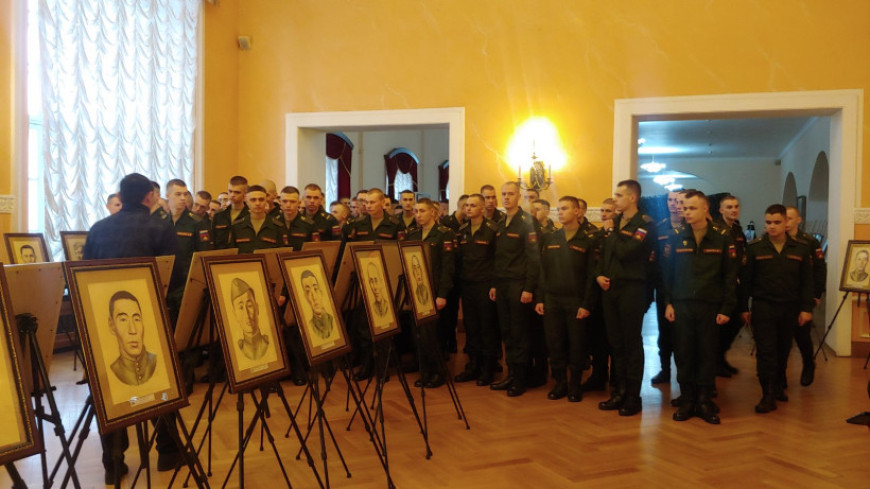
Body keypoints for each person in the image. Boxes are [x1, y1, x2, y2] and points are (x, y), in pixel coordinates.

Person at [82, 172, 180, 482]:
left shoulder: (98, 229)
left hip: (105, 321)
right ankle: (168, 451)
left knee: (109, 387)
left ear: (121, 198)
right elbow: (174, 275)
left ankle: (113, 462)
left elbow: (83, 272)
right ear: (150, 197)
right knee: (158, 379)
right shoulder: (160, 227)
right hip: (148, 318)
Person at [661, 190, 738, 424]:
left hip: (710, 305)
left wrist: (726, 308)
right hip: (682, 303)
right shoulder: (676, 236)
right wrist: (668, 303)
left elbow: (730, 276)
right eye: (685, 208)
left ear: (705, 209)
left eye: (692, 208)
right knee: (684, 352)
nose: (686, 212)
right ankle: (687, 399)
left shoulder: (722, 236)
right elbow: (667, 274)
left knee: (707, 352)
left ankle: (704, 400)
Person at [739, 204, 814, 414]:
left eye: (777, 222)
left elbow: (807, 282)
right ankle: (767, 394)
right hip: (764, 307)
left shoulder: (800, 248)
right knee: (766, 352)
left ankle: (778, 385)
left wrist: (806, 308)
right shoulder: (755, 248)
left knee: (783, 350)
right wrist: (744, 307)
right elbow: (745, 281)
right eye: (768, 222)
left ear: (786, 222)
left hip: (790, 308)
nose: (772, 226)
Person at [594, 179, 656, 416]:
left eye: (619, 195)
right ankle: (618, 392)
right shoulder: (616, 221)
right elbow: (604, 256)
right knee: (616, 343)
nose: (615, 199)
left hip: (632, 289)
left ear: (632, 197)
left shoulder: (644, 224)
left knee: (631, 343)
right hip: (611, 289)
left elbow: (625, 252)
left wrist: (611, 231)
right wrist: (599, 275)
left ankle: (632, 396)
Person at [535, 196, 598, 402]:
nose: (560, 212)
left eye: (565, 209)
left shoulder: (587, 239)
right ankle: (560, 383)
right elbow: (543, 271)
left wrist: (586, 304)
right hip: (553, 299)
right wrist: (540, 298)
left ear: (577, 211)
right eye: (559, 209)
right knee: (555, 344)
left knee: (577, 345)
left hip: (576, 301)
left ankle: (575, 384)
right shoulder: (551, 237)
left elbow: (591, 275)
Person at [489, 181, 540, 397]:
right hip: (502, 284)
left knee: (520, 333)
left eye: (510, 194)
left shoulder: (527, 222)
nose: (506, 197)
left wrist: (529, 288)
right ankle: (511, 374)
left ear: (519, 196)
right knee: (507, 331)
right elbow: (498, 257)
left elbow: (534, 258)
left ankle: (521, 378)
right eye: (503, 194)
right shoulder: (501, 222)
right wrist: (494, 283)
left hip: (519, 284)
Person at [406, 198, 456, 388]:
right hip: (417, 291)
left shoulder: (444, 234)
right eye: (416, 211)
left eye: (422, 211)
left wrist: (442, 294)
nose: (418, 215)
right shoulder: (412, 235)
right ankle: (425, 371)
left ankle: (438, 372)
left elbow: (448, 267)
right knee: (418, 334)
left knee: (434, 335)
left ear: (433, 213)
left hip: (434, 291)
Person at [454, 194, 500, 385]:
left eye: (473, 205)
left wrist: (495, 284)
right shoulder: (462, 231)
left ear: (482, 208)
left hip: (485, 285)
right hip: (467, 285)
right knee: (471, 327)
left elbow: (497, 260)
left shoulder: (492, 229)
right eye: (467, 205)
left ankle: (488, 369)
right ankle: (473, 366)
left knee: (487, 328)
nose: (468, 208)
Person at [785, 205, 826, 387]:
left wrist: (816, 294)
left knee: (802, 336)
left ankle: (808, 364)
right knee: (782, 339)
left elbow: (819, 269)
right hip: (784, 295)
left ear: (798, 220)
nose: (786, 222)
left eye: (790, 218)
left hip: (803, 296)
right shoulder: (778, 240)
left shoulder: (810, 242)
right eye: (784, 218)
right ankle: (779, 376)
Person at [165, 179, 213, 326]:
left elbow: (204, 256)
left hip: (186, 284)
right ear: (167, 195)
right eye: (178, 194)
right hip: (166, 283)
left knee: (184, 326)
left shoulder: (197, 223)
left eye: (185, 194)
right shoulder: (161, 222)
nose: (183, 198)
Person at [651, 191, 684, 385]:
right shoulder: (660, 228)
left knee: (684, 335)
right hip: (664, 289)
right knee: (664, 333)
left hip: (685, 289)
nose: (674, 204)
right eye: (670, 200)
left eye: (678, 201)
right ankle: (665, 370)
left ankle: (684, 375)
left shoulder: (690, 227)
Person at [713, 194, 747, 378]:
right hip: (721, 286)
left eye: (736, 206)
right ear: (721, 210)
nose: (733, 210)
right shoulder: (716, 230)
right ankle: (717, 361)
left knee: (736, 322)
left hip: (737, 284)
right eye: (729, 207)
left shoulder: (738, 230)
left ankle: (721, 356)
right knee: (721, 326)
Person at [582, 198, 613, 393]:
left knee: (615, 339)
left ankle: (617, 377)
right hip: (597, 295)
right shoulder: (594, 236)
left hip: (616, 293)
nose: (604, 214)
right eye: (602, 210)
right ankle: (599, 375)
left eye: (609, 211)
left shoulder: (622, 236)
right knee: (597, 338)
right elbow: (589, 266)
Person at [107, 291, 157, 385]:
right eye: (123, 320)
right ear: (112, 325)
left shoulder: (156, 362)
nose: (133, 330)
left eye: (136, 319)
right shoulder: (112, 371)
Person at [228, 185, 289, 253]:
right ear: (246, 201)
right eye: (253, 200)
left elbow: (282, 253)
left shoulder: (277, 227)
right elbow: (232, 254)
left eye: (261, 199)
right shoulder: (237, 226)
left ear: (266, 201)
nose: (257, 203)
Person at [230, 278, 270, 360]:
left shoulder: (269, 342)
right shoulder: (238, 350)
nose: (246, 314)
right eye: (241, 307)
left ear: (257, 308)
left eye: (249, 306)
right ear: (235, 315)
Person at [212, 176, 249, 249]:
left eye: (237, 192)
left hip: (243, 254)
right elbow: (214, 241)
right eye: (230, 191)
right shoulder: (219, 215)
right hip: (221, 254)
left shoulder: (250, 215)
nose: (232, 195)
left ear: (245, 194)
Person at [277, 186, 317, 250]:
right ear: (280, 202)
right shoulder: (274, 223)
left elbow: (314, 249)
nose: (288, 205)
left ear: (299, 203)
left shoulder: (309, 225)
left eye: (292, 202)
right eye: (284, 201)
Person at [301, 270, 334, 340]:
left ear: (321, 292)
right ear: (305, 297)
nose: (314, 297)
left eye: (315, 289)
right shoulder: (311, 325)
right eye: (308, 291)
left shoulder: (332, 320)